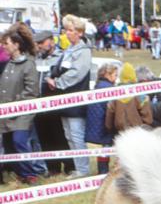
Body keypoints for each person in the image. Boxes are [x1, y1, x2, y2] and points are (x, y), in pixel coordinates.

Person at [45, 14, 93, 179]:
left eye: (71, 30)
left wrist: (58, 82)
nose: (68, 33)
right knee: (69, 136)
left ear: (80, 32)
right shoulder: (68, 50)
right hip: (64, 100)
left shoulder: (84, 51)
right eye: (66, 30)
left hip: (76, 100)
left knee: (76, 135)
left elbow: (77, 73)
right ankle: (78, 167)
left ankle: (83, 169)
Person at [0, 23, 44, 185]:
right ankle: (20, 173)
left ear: (16, 45)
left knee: (20, 141)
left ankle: (30, 174)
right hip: (5, 113)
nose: (3, 47)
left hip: (22, 113)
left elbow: (32, 91)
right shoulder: (7, 65)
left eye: (6, 43)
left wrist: (16, 105)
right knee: (9, 144)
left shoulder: (28, 64)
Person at [32, 29, 70, 176]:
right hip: (39, 103)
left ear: (51, 41)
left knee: (59, 135)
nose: (41, 46)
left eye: (43, 42)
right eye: (39, 43)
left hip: (54, 102)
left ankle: (68, 165)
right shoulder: (37, 58)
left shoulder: (61, 56)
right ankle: (52, 167)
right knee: (44, 136)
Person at [105, 62, 153, 143]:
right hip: (138, 134)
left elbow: (108, 121)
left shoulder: (114, 95)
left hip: (120, 135)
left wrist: (111, 129)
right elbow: (148, 119)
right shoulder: (141, 95)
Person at [85, 62, 117, 174]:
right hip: (104, 124)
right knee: (106, 147)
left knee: (103, 149)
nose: (116, 78)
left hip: (96, 124)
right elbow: (111, 108)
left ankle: (102, 170)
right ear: (107, 74)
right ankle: (104, 171)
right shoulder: (109, 89)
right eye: (115, 75)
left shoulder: (98, 86)